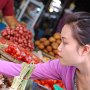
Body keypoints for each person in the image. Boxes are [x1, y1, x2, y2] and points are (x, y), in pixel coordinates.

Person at [0, 12, 90, 90]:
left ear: (85, 50)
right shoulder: (62, 67)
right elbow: (24, 71)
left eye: (65, 42)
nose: (58, 48)